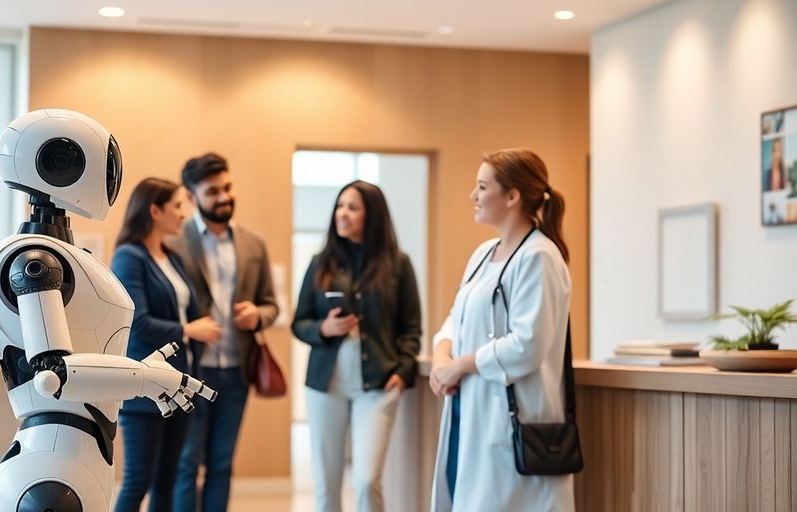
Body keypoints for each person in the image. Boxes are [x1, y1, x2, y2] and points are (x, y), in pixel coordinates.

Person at [428, 148, 573, 511]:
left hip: (511, 420)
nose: (472, 196)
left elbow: (527, 346)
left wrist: (460, 366)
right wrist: (441, 356)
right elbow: (455, 318)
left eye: (481, 187)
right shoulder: (482, 253)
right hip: (471, 410)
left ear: (512, 196)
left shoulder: (539, 257)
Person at [291, 180, 422, 512]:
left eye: (352, 207)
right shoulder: (321, 262)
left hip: (377, 386)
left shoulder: (398, 264)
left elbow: (411, 327)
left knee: (366, 480)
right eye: (339, 206)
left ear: (372, 215)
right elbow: (299, 322)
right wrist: (324, 327)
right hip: (325, 386)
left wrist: (404, 370)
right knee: (326, 486)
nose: (342, 214)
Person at [168, 153, 280, 512]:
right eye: (213, 191)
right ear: (190, 196)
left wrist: (257, 315)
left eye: (227, 188)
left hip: (236, 372)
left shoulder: (254, 245)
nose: (224, 197)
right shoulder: (173, 241)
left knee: (221, 464)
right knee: (186, 464)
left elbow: (270, 304)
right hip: (189, 370)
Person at [111, 177, 223, 512]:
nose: (184, 214)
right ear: (154, 211)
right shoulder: (129, 257)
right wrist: (189, 330)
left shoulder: (172, 258)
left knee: (167, 480)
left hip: (179, 383)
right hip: (145, 386)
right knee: (138, 480)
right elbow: (138, 322)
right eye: (177, 206)